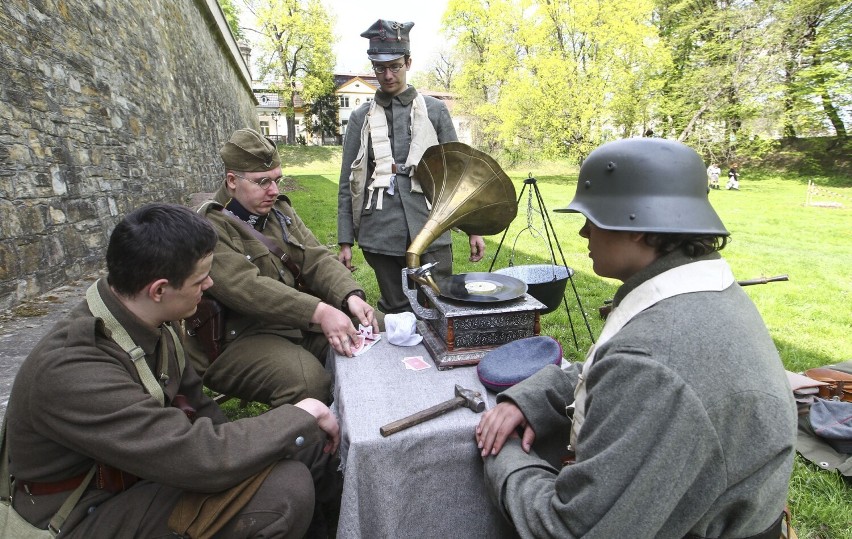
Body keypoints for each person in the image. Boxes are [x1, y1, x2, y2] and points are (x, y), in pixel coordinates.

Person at [475, 138, 796, 538]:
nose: (583, 231)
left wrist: (500, 454)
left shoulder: (655, 362)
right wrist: (531, 398)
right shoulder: (698, 292)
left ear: (639, 226)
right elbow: (608, 368)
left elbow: (567, 530)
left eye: (594, 218)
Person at [5, 203, 341, 537]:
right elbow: (197, 459)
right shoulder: (73, 369)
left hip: (148, 472)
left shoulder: (150, 321)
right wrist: (300, 415)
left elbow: (202, 414)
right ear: (159, 290)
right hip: (82, 513)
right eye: (200, 278)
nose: (210, 284)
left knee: (310, 451)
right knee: (283, 492)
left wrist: (270, 446)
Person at [186, 128, 379, 408]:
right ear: (231, 181)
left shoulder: (279, 211)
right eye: (263, 182)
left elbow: (316, 257)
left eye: (277, 180)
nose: (274, 191)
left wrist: (350, 295)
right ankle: (310, 445)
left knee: (376, 328)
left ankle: (363, 420)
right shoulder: (208, 228)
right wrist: (320, 311)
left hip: (294, 324)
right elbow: (247, 288)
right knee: (307, 382)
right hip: (241, 338)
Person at [337, 19, 486, 314]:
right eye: (380, 68)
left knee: (441, 304)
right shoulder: (360, 117)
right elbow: (348, 180)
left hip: (430, 222)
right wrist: (345, 240)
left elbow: (458, 175)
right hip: (380, 229)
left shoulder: (434, 110)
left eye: (395, 66)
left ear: (408, 62)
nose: (388, 75)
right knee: (396, 311)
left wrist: (472, 229)